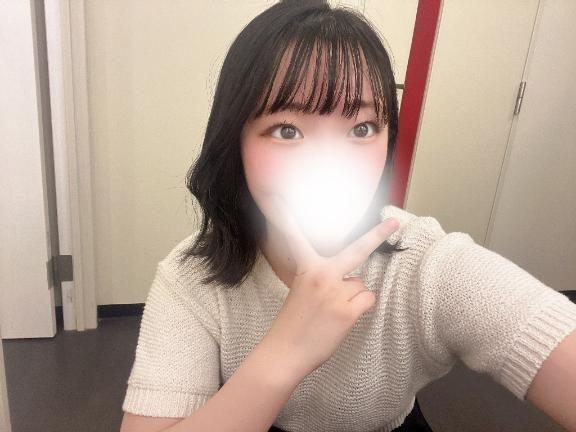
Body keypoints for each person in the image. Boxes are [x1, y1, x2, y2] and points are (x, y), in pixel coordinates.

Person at [120, 1, 576, 431]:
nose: (329, 167)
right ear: (234, 141)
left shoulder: (426, 265)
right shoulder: (192, 278)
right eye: (286, 130)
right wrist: (285, 352)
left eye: (361, 128)